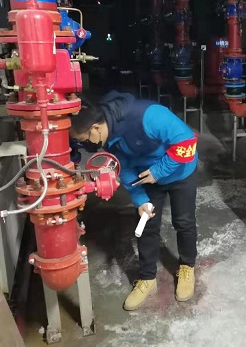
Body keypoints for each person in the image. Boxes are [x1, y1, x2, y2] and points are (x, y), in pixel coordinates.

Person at [69, 91, 198, 309]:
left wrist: (159, 171)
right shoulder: (109, 139)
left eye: (84, 140)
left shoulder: (148, 115)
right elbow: (126, 170)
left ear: (96, 128)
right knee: (147, 223)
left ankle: (187, 267)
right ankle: (147, 278)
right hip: (147, 176)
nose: (87, 146)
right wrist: (141, 200)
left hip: (180, 172)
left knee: (183, 222)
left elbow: (187, 142)